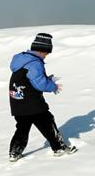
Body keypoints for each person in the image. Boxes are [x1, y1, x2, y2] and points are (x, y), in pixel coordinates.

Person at [8, 33, 76, 162]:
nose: (46, 56)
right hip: (33, 103)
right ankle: (58, 147)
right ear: (41, 50)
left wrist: (46, 79)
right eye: (46, 53)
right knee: (47, 123)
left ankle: (14, 152)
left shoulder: (21, 61)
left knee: (22, 127)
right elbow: (40, 84)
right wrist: (53, 86)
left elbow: (30, 79)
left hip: (17, 102)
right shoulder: (34, 63)